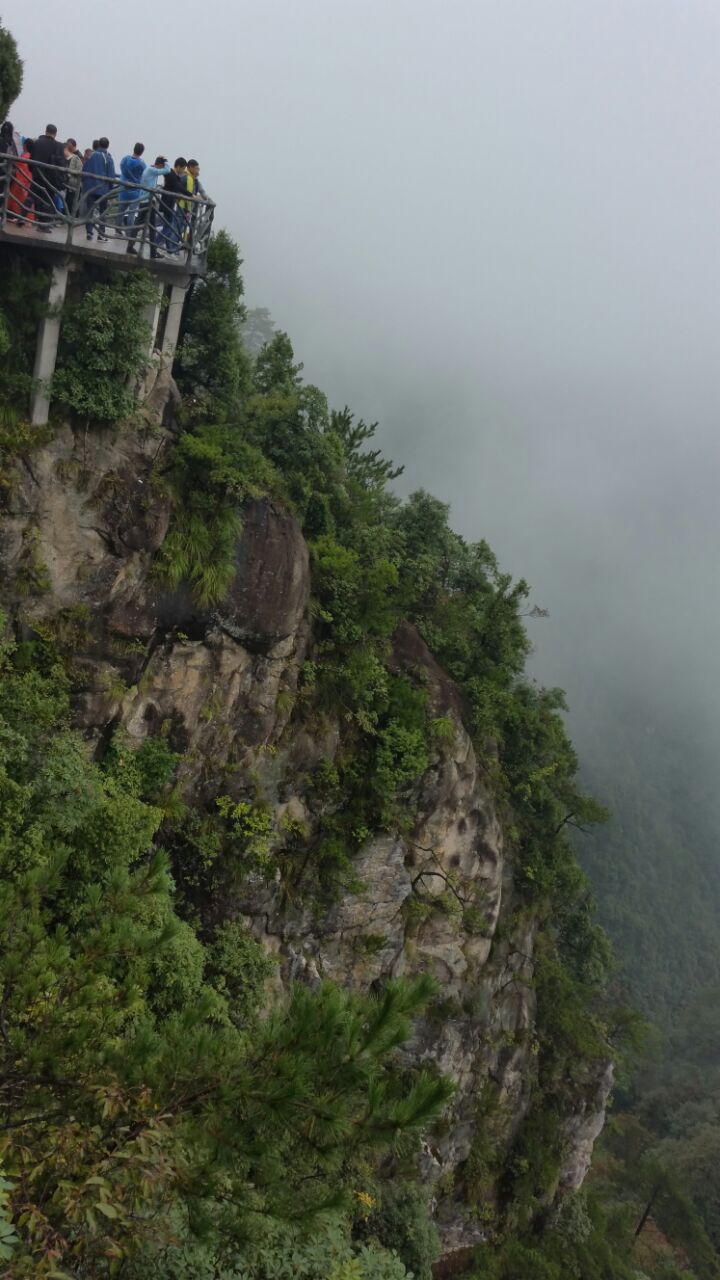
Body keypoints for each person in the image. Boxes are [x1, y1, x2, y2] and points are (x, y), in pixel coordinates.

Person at [127, 154, 170, 257]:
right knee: (152, 227)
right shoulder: (151, 170)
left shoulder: (150, 170)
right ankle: (153, 252)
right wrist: (166, 161)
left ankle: (130, 246)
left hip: (144, 200)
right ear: (159, 164)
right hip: (148, 201)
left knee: (139, 225)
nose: (162, 168)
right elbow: (167, 170)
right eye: (162, 165)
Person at [28, 124, 66, 231]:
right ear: (55, 133)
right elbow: (61, 163)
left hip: (37, 175)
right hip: (50, 178)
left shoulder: (37, 142)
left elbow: (31, 159)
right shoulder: (58, 146)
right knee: (47, 200)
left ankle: (21, 217)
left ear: (46, 131)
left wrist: (33, 170)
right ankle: (43, 225)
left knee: (31, 195)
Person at [82, 135, 115, 241]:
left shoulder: (91, 156)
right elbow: (111, 177)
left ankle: (89, 232)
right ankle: (101, 234)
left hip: (90, 188)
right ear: (108, 146)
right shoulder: (108, 158)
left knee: (90, 210)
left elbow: (84, 171)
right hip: (103, 190)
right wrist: (110, 190)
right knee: (103, 212)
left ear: (99, 144)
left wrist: (85, 184)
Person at [159, 156, 187, 253]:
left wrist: (165, 159)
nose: (183, 171)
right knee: (169, 227)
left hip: (170, 204)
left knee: (168, 226)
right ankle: (155, 242)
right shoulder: (171, 174)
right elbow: (178, 186)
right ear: (178, 166)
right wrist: (192, 195)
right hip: (167, 204)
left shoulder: (174, 174)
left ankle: (169, 249)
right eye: (183, 168)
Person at [118, 142, 146, 229]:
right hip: (135, 191)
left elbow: (122, 168)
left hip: (123, 189)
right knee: (132, 212)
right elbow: (145, 176)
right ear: (142, 152)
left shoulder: (125, 159)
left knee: (121, 210)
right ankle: (129, 231)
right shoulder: (142, 164)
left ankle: (117, 228)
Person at [63, 138, 82, 217]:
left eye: (69, 145)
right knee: (67, 201)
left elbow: (80, 171)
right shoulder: (65, 156)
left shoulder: (77, 157)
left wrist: (70, 174)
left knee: (72, 202)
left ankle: (72, 218)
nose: (67, 147)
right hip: (66, 183)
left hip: (73, 183)